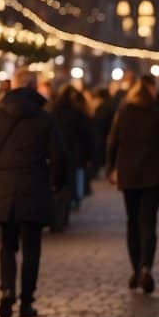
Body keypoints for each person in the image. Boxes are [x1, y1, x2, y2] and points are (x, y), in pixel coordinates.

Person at [0, 68, 67, 317]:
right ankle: (26, 300)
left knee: (7, 245)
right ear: (35, 87)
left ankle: (6, 290)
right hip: (35, 186)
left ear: (12, 86)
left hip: (4, 186)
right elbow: (58, 157)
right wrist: (55, 183)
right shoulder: (44, 119)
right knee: (32, 248)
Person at [106, 75, 159, 294]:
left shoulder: (124, 115)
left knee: (132, 221)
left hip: (129, 175)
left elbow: (112, 142)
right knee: (149, 222)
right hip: (153, 175)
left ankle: (135, 268)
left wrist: (111, 168)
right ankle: (147, 265)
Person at [49, 85, 92, 230]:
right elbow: (86, 137)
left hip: (55, 154)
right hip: (72, 155)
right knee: (67, 186)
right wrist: (87, 157)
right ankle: (62, 218)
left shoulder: (53, 112)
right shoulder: (78, 114)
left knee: (55, 185)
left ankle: (55, 218)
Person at [87, 88, 115, 184]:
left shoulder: (103, 107)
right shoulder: (110, 105)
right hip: (106, 134)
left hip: (102, 135)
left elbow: (99, 123)